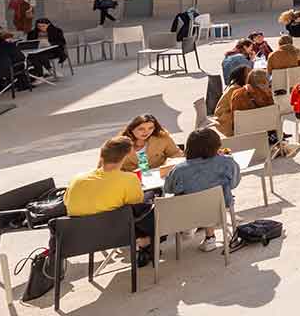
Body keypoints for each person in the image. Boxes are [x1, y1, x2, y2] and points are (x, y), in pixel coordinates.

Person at [65, 136, 152, 265]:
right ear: (126, 156)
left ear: (102, 155)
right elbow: (136, 208)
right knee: (149, 203)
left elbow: (67, 204)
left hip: (80, 237)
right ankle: (146, 243)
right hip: (116, 236)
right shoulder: (129, 179)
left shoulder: (76, 179)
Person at [160, 128, 240, 251]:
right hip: (220, 205)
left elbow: (168, 189)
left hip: (189, 209)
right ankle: (210, 237)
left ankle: (188, 227)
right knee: (210, 196)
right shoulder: (227, 162)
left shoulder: (179, 169)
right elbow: (234, 184)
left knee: (184, 196)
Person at [118, 114, 185, 173]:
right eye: (141, 129)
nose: (146, 132)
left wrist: (167, 164)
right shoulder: (120, 144)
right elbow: (112, 166)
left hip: (159, 177)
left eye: (150, 128)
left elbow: (176, 154)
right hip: (132, 180)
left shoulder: (162, 138)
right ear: (131, 129)